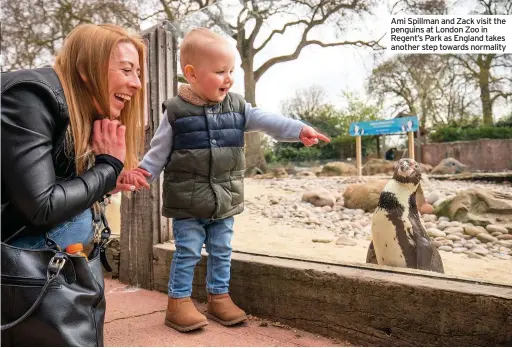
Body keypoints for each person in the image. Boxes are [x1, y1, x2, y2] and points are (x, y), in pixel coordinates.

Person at [121, 27, 330, 333]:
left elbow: (268, 120)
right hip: (188, 203)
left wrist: (298, 130)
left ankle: (219, 297)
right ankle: (178, 303)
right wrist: (142, 173)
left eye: (231, 70)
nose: (229, 78)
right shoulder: (176, 112)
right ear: (191, 74)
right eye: (220, 71)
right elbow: (158, 152)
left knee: (222, 250)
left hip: (226, 199)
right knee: (188, 251)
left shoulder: (237, 107)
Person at [1, 23, 146, 339]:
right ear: (85, 69)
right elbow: (42, 206)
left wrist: (107, 180)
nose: (137, 83)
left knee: (82, 216)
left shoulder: (71, 110)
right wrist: (106, 169)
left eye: (138, 72)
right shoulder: (30, 95)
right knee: (79, 219)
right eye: (126, 70)